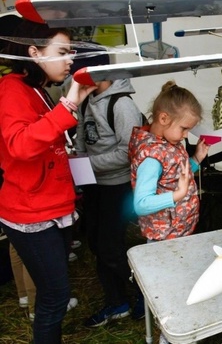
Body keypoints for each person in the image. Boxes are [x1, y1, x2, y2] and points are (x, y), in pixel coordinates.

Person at [0, 18, 96, 343]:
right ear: (34, 53)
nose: (70, 59)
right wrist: (68, 104)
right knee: (55, 296)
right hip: (31, 212)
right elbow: (20, 144)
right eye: (63, 51)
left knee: (54, 293)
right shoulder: (11, 89)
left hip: (52, 205)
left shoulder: (37, 89)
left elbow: (48, 141)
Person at [73, 48, 146, 327]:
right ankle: (117, 301)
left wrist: (87, 164)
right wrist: (79, 166)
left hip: (118, 186)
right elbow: (81, 139)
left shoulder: (121, 104)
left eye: (79, 74)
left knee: (112, 245)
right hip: (95, 185)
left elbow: (128, 152)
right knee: (97, 243)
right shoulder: (85, 101)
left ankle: (141, 294)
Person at [129, 81, 210, 241]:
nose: (186, 135)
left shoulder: (170, 142)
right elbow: (141, 204)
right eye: (184, 128)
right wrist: (178, 194)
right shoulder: (152, 157)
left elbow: (174, 177)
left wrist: (197, 158)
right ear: (164, 118)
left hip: (178, 231)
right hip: (163, 238)